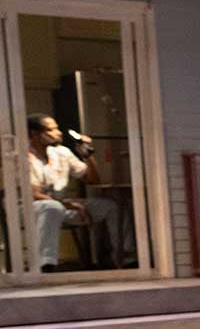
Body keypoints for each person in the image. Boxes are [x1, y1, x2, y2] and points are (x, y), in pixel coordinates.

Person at [28, 114, 129, 272]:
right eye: (51, 129)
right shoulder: (25, 156)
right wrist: (70, 205)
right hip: (30, 208)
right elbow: (34, 194)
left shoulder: (61, 152)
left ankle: (126, 258)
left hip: (63, 206)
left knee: (110, 206)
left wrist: (87, 156)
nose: (58, 132)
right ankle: (46, 264)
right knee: (51, 207)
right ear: (34, 134)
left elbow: (93, 180)